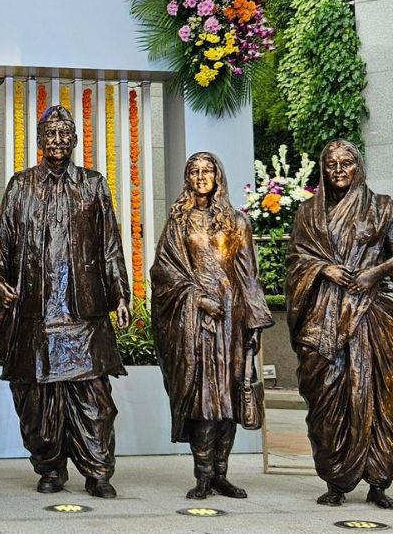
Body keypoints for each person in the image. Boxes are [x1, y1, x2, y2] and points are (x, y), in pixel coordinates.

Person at [0, 105, 131, 499]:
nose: (57, 141)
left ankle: (98, 472)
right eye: (50, 134)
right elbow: (2, 242)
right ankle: (50, 468)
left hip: (84, 314)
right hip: (36, 315)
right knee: (37, 403)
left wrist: (120, 294)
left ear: (75, 140)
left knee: (94, 403)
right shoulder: (21, 186)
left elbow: (110, 245)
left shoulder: (93, 185)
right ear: (39, 141)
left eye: (64, 134)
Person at [151, 152, 272, 499]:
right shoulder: (179, 221)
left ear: (218, 176)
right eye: (194, 171)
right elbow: (163, 272)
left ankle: (222, 473)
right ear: (187, 177)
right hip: (196, 323)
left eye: (207, 171)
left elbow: (248, 274)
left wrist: (255, 321)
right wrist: (197, 299)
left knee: (230, 399)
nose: (201, 176)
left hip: (232, 319)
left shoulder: (236, 222)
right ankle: (203, 475)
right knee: (204, 400)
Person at [287, 139, 393, 509]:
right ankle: (335, 480)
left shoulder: (382, 207)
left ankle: (378, 481)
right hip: (323, 319)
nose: (338, 170)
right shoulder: (308, 212)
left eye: (345, 163)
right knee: (326, 398)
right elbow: (295, 259)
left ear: (358, 166)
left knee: (377, 399)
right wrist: (322, 268)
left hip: (371, 316)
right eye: (331, 164)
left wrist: (373, 273)